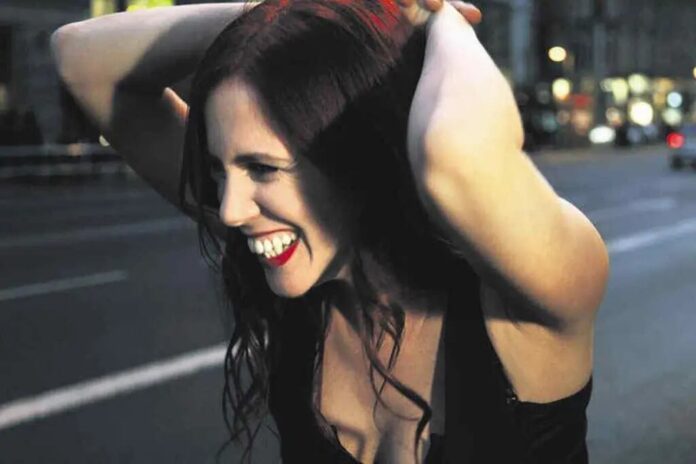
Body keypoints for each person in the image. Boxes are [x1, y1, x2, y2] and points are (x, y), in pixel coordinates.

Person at [51, 1, 609, 462]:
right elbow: (80, 59)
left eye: (262, 168)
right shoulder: (307, 274)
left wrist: (439, 18)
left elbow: (453, 159)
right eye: (219, 171)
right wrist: (292, 14)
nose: (229, 209)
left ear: (354, 159)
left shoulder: (526, 299)